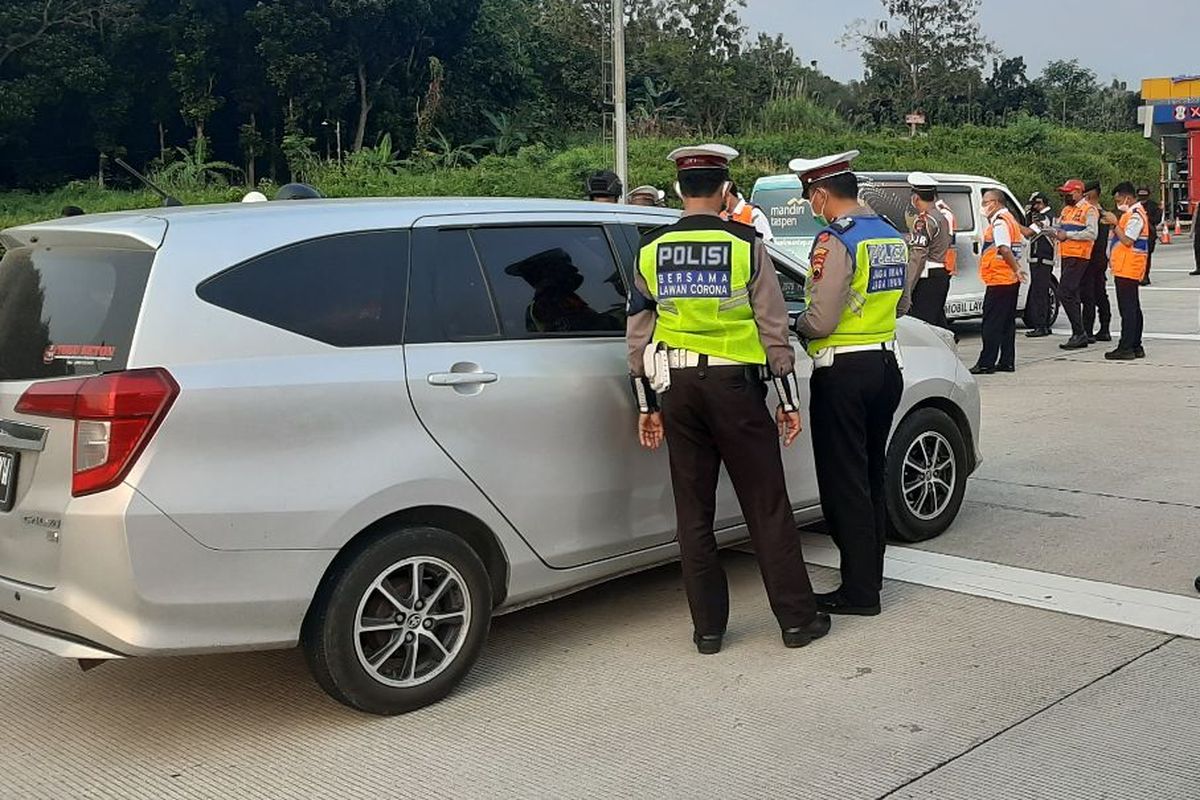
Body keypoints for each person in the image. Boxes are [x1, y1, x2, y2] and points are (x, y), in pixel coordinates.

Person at [626, 143, 829, 654]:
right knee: (766, 504)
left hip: (675, 390)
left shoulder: (651, 248)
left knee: (692, 512)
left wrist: (646, 404)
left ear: (678, 190)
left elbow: (637, 334)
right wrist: (787, 397)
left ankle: (708, 630)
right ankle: (797, 621)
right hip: (735, 388)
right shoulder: (746, 243)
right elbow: (773, 327)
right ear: (724, 192)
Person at [788, 149, 905, 617]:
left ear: (820, 194)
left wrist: (797, 324)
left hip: (843, 372)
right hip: (885, 366)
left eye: (810, 198)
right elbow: (903, 300)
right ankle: (868, 578)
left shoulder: (835, 240)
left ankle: (859, 592)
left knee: (845, 484)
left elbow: (822, 317)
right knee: (872, 476)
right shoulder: (889, 236)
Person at [971, 190, 1028, 374]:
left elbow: (1003, 248)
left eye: (986, 202)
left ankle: (986, 362)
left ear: (995, 203)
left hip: (999, 279)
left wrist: (1016, 267)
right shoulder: (1010, 219)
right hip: (1009, 279)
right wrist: (1016, 269)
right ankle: (1006, 361)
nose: (983, 206)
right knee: (1006, 323)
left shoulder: (1000, 222)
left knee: (991, 324)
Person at [1101, 183, 1149, 360]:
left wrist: (1115, 224)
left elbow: (1128, 240)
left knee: (1128, 309)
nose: (1118, 203)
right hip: (1126, 266)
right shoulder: (1131, 214)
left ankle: (1126, 346)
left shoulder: (1135, 216)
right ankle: (1136, 345)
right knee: (1133, 308)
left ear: (1127, 198)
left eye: (1119, 200)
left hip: (1128, 266)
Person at [901, 172, 953, 329]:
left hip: (927, 278)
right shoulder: (941, 217)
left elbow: (918, 256)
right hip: (941, 273)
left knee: (921, 326)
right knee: (938, 324)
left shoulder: (923, 221)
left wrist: (908, 289)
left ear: (915, 198)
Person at [1054, 179, 1099, 350]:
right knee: (1071, 292)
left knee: (1065, 291)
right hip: (1066, 255)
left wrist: (1069, 235)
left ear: (1079, 192)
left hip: (1079, 256)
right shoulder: (1066, 210)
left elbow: (1092, 233)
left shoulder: (1089, 209)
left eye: (1069, 193)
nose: (1066, 196)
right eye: (1064, 193)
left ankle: (1079, 332)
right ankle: (1080, 332)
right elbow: (1060, 228)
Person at [1082, 181, 1113, 343]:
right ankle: (1103, 328)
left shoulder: (1095, 213)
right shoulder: (1103, 213)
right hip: (1099, 259)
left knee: (1090, 295)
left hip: (1092, 258)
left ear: (1090, 194)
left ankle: (1089, 330)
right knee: (1099, 294)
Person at [1024, 192, 1056, 338]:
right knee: (1039, 291)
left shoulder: (1046, 217)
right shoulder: (1045, 216)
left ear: (1041, 203)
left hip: (1042, 259)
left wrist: (1014, 222)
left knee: (1040, 293)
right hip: (1039, 258)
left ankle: (1041, 326)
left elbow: (1029, 232)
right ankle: (1043, 325)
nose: (1034, 207)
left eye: (1035, 204)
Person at [1137, 187, 1162, 286]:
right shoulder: (1134, 206)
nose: (1142, 197)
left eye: (1144, 194)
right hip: (1136, 235)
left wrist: (1146, 217)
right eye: (1140, 194)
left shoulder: (1154, 206)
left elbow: (1157, 219)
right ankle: (1138, 275)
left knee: (1146, 257)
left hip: (1149, 235)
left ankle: (1145, 276)